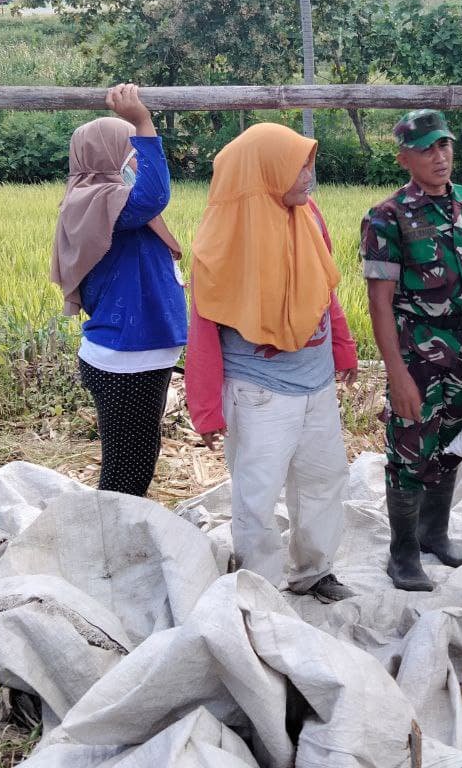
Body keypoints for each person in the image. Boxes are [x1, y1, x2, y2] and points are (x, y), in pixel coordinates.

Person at [185, 122, 357, 604]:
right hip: (259, 390)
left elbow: (324, 289)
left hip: (316, 381)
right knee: (257, 493)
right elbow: (201, 329)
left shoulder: (308, 216)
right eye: (298, 165)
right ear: (264, 172)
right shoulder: (221, 243)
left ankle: (315, 570)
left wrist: (342, 347)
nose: (309, 175)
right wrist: (205, 407)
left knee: (324, 477)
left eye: (309, 162)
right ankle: (259, 583)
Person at [360, 110, 462, 592]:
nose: (440, 156)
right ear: (404, 158)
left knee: (453, 446)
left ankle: (435, 533)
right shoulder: (387, 218)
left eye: (445, 145)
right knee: (410, 451)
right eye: (427, 148)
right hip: (420, 357)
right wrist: (398, 376)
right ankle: (402, 552)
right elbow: (379, 305)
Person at [51, 83, 188, 497]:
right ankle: (110, 545)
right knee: (126, 473)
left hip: (140, 355)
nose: (135, 162)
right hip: (125, 359)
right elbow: (153, 194)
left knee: (139, 459)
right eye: (131, 152)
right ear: (106, 155)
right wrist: (143, 122)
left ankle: (117, 539)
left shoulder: (108, 202)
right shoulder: (98, 202)